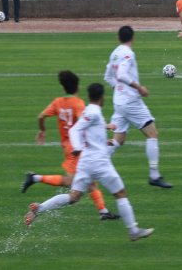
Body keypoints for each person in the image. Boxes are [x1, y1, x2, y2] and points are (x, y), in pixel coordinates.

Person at [24, 83, 154, 242]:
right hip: (99, 162)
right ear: (101, 97)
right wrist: (78, 147)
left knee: (74, 197)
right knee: (120, 193)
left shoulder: (90, 111)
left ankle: (39, 209)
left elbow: (87, 129)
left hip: (86, 162)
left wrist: (105, 129)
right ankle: (133, 230)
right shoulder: (94, 112)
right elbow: (74, 130)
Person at [21, 71, 120, 221]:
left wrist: (42, 130)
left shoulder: (57, 102)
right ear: (77, 86)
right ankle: (36, 190)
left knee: (88, 182)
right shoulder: (78, 103)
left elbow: (41, 116)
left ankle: (103, 211)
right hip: (77, 147)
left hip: (68, 146)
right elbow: (85, 122)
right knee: (73, 187)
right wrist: (106, 127)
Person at [104, 25, 173, 189]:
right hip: (130, 101)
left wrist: (118, 89)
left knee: (118, 140)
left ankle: (92, 164)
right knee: (152, 134)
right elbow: (121, 75)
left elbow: (108, 77)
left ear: (118, 38)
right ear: (132, 38)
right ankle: (154, 175)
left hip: (119, 101)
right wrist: (138, 87)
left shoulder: (114, 53)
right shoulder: (128, 53)